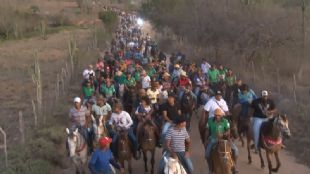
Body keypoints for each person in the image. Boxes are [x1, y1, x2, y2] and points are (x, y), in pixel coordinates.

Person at [204, 109, 238, 174]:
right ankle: (211, 169)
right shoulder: (210, 121)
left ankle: (235, 166)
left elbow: (228, 130)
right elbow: (207, 131)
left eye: (219, 115)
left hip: (225, 139)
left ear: (221, 115)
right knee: (207, 154)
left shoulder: (225, 121)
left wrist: (223, 134)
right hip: (213, 139)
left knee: (236, 151)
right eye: (216, 115)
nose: (217, 117)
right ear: (214, 115)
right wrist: (205, 140)